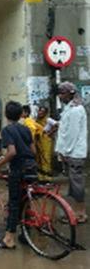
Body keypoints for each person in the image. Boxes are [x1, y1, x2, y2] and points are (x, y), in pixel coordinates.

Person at [0, 101, 37, 249]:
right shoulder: (26, 129)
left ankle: (9, 238)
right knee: (26, 201)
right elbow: (33, 151)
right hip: (32, 167)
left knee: (14, 202)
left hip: (18, 169)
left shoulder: (7, 130)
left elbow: (12, 152)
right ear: (20, 114)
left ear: (6, 114)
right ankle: (25, 234)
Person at [55, 82, 88, 224]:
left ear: (70, 93)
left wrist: (64, 152)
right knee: (73, 184)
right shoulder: (70, 108)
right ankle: (75, 211)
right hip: (72, 152)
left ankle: (81, 213)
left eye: (63, 93)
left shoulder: (75, 110)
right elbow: (66, 129)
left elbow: (72, 134)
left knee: (77, 184)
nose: (60, 96)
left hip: (74, 153)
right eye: (59, 93)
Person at [36, 106, 56, 181]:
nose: (40, 112)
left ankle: (48, 178)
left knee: (46, 158)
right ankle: (40, 177)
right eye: (39, 111)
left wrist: (50, 133)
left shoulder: (48, 119)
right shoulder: (37, 120)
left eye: (42, 111)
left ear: (45, 113)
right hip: (39, 141)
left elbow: (57, 125)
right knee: (39, 158)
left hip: (46, 141)